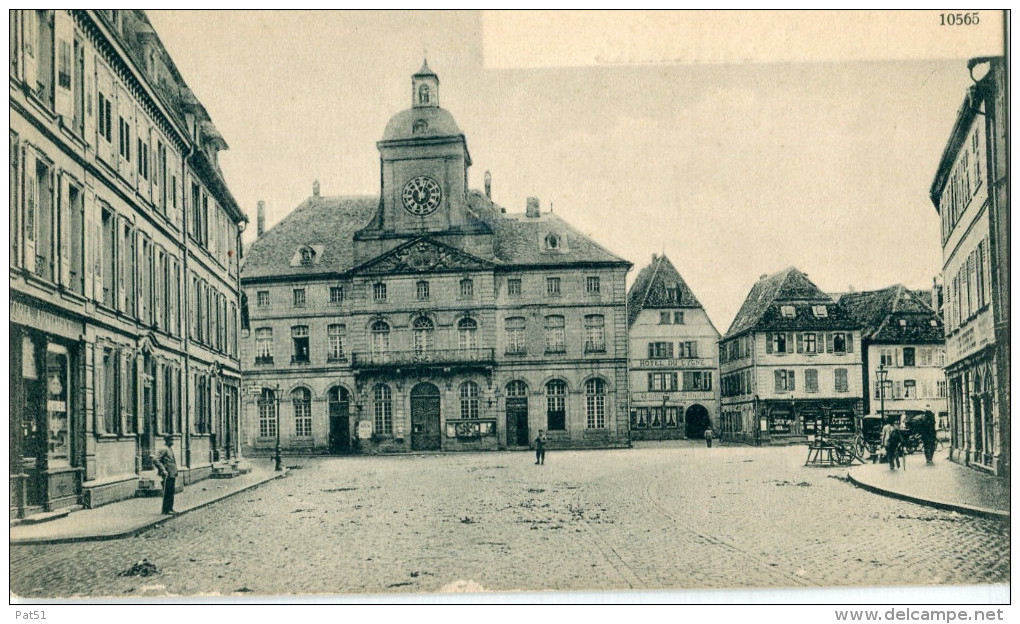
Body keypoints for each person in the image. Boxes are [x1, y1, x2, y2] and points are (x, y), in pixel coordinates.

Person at [153, 435, 179, 514]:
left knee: (171, 491)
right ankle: (166, 510)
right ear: (167, 441)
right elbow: (155, 459)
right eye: (171, 440)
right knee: (167, 492)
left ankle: (170, 508)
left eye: (173, 440)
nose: (172, 442)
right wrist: (163, 470)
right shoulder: (163, 449)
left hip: (171, 473)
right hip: (167, 474)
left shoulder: (169, 449)